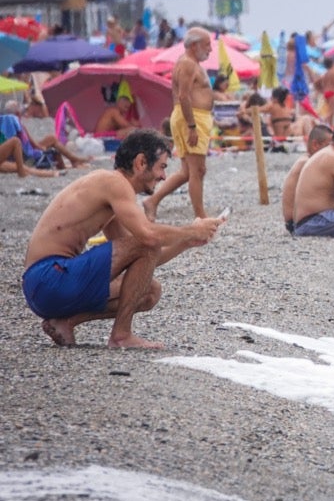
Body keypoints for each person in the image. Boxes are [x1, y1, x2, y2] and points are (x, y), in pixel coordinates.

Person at [21, 129, 222, 349]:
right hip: (48, 278)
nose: (164, 176)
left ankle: (65, 322)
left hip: (46, 288)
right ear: (141, 162)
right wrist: (192, 230)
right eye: (162, 167)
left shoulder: (111, 197)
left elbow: (144, 257)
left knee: (150, 292)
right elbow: (148, 238)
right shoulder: (113, 182)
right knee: (147, 242)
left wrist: (185, 242)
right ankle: (121, 335)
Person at [144, 27, 214, 220]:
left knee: (187, 172)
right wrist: (192, 126)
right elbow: (183, 96)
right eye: (207, 44)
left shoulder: (191, 63)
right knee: (197, 171)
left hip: (193, 117)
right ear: (194, 45)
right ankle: (201, 216)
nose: (210, 49)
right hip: (191, 118)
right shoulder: (188, 64)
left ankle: (152, 201)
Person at [1, 102, 90, 169]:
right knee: (54, 150)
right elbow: (34, 144)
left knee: (51, 138)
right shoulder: (18, 125)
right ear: (17, 113)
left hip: (27, 153)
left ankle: (74, 160)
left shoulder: (7, 126)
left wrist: (40, 146)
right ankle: (73, 161)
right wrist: (42, 148)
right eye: (21, 112)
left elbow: (33, 144)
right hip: (29, 157)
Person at [282, 123, 333, 233]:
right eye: (329, 146)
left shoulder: (306, 160)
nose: (332, 151)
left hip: (296, 220)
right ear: (315, 145)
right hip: (299, 222)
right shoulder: (306, 163)